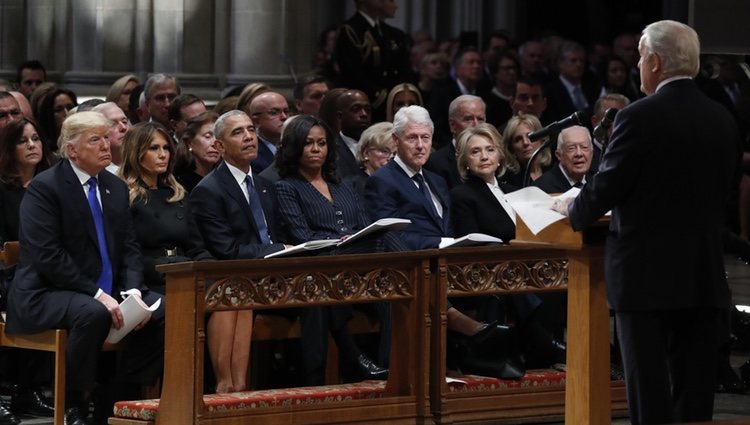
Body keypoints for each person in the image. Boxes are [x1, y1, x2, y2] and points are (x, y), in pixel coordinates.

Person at [554, 20, 742, 425]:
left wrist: (571, 209)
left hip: (645, 281)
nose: (638, 64)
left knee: (650, 398)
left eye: (640, 57)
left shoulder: (638, 117)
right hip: (703, 277)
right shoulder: (722, 118)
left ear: (654, 62)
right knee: (695, 403)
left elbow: (604, 190)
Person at [6, 111, 165, 425]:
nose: (106, 145)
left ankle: (116, 397)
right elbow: (47, 256)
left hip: (103, 289)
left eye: (107, 137)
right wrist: (97, 293)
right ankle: (73, 402)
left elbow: (129, 248)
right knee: (92, 312)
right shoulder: (45, 188)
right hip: (47, 290)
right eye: (96, 139)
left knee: (163, 311)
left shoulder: (115, 187)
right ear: (72, 149)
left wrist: (132, 289)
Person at [364, 105, 522, 378]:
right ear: (396, 141)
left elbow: (449, 225)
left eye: (425, 138)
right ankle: (474, 338)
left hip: (449, 262)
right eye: (412, 138)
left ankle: (486, 357)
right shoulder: (383, 181)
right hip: (408, 266)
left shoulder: (436, 180)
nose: (420, 145)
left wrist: (455, 243)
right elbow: (390, 234)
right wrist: (439, 243)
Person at [275, 115, 395, 383]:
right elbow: (302, 236)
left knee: (391, 263)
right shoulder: (286, 187)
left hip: (357, 263)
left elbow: (364, 225)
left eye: (322, 143)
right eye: (309, 143)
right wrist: (341, 239)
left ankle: (389, 364)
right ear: (296, 147)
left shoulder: (343, 184)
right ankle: (356, 361)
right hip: (321, 263)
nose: (317, 149)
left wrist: (351, 238)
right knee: (320, 286)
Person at [190, 110, 286, 393]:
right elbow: (226, 250)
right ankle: (229, 387)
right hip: (231, 275)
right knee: (236, 294)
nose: (248, 137)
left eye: (251, 130)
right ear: (219, 146)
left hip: (275, 274)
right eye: (238, 132)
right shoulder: (209, 190)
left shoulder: (266, 185)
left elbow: (280, 232)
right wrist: (278, 249)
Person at [0, 117, 56, 424]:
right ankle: (18, 388)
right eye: (23, 141)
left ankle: (31, 390)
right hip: (8, 273)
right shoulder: (3, 188)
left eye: (36, 138)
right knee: (26, 290)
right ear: (10, 148)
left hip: (44, 270)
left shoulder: (52, 186)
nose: (32, 145)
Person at [118, 121, 213, 293]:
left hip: (185, 270)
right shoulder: (124, 195)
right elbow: (127, 254)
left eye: (166, 148)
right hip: (152, 278)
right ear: (136, 152)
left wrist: (214, 269)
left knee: (231, 292)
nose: (163, 155)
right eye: (154, 148)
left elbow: (196, 247)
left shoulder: (177, 193)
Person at [335, 0, 411, 121]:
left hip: (392, 105)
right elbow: (353, 74)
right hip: (368, 106)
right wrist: (383, 100)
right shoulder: (351, 30)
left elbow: (402, 70)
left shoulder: (390, 32)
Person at [427, 47, 489, 149]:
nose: (476, 66)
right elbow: (436, 128)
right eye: (471, 62)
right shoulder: (441, 94)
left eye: (479, 63)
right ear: (457, 68)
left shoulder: (486, 93)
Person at [425, 94, 486, 189]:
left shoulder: (494, 158)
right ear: (452, 125)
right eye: (468, 119)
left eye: (480, 119)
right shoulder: (436, 164)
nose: (476, 125)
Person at [533, 125, 593, 193]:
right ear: (559, 155)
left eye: (584, 147)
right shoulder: (541, 189)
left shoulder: (597, 181)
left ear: (591, 153)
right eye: (571, 148)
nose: (579, 154)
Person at [174, 111, 220, 193]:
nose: (214, 143)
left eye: (218, 137)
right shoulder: (178, 182)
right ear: (189, 143)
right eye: (208, 137)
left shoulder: (225, 178)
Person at [348, 121, 395, 197]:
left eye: (396, 154)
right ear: (366, 153)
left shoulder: (403, 186)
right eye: (384, 151)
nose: (391, 158)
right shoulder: (351, 187)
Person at [502, 113, 550, 187]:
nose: (525, 143)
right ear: (511, 149)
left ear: (542, 140)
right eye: (518, 139)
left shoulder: (553, 168)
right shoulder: (509, 180)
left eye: (530, 136)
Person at [334, 90, 372, 178]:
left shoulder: (379, 146)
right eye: (356, 109)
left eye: (367, 109)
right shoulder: (331, 149)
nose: (364, 114)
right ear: (340, 116)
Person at [248, 91, 289, 174]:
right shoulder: (251, 156)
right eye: (274, 112)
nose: (284, 117)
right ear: (256, 121)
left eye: (286, 111)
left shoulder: (295, 147)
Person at [92, 102, 130, 174]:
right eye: (113, 124)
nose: (123, 128)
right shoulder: (94, 173)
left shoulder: (144, 165)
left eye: (124, 122)